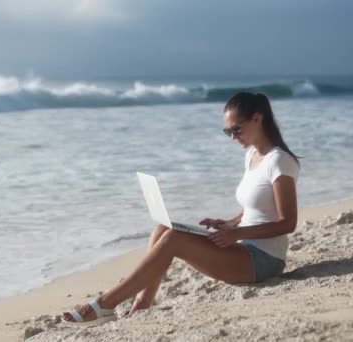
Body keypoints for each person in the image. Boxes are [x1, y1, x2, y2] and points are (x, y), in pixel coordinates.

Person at [62, 92, 301, 326]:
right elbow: (255, 210)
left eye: (236, 129)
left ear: (257, 119)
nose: (232, 137)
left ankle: (105, 303)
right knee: (163, 227)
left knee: (174, 239)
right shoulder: (252, 156)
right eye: (227, 131)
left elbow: (287, 222)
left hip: (264, 260)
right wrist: (229, 223)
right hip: (242, 246)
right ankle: (142, 304)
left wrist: (235, 234)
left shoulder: (279, 161)